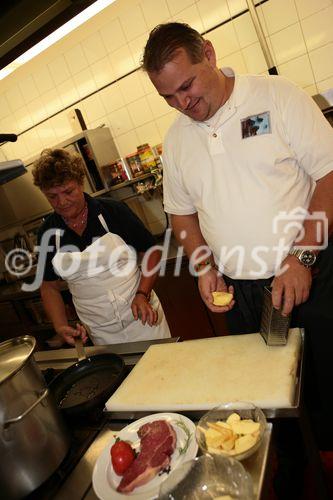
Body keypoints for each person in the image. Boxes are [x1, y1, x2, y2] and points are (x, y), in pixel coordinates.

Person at [143, 22, 333, 497]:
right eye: (168, 97)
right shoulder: (178, 139)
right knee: (266, 402)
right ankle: (295, 474)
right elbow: (181, 217)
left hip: (308, 270)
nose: (182, 103)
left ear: (207, 53)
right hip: (245, 296)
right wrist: (205, 266)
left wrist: (301, 257)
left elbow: (330, 176)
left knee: (328, 384)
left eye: (186, 86)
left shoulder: (277, 96)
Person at [32, 148, 171, 346]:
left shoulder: (112, 211)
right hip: (99, 331)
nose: (62, 202)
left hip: (142, 318)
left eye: (68, 192)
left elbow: (151, 252)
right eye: (52, 196)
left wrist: (142, 294)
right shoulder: (47, 232)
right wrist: (60, 325)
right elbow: (49, 286)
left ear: (80, 183)